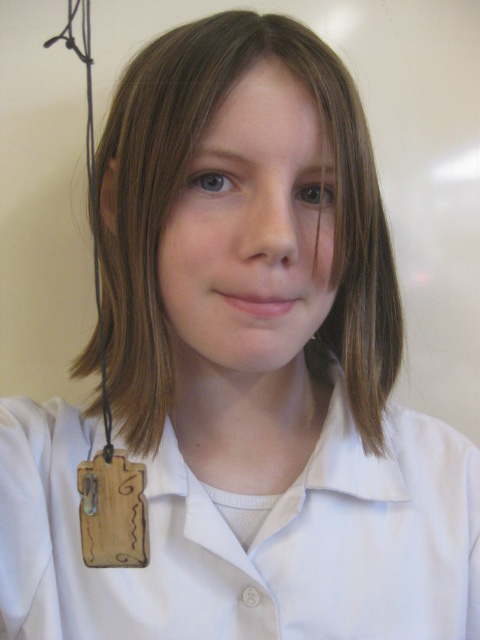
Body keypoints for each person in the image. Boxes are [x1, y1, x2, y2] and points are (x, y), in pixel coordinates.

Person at [0, 10, 478, 639]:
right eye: (214, 180)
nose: (277, 238)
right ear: (117, 201)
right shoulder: (26, 478)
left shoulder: (456, 489)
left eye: (316, 193)